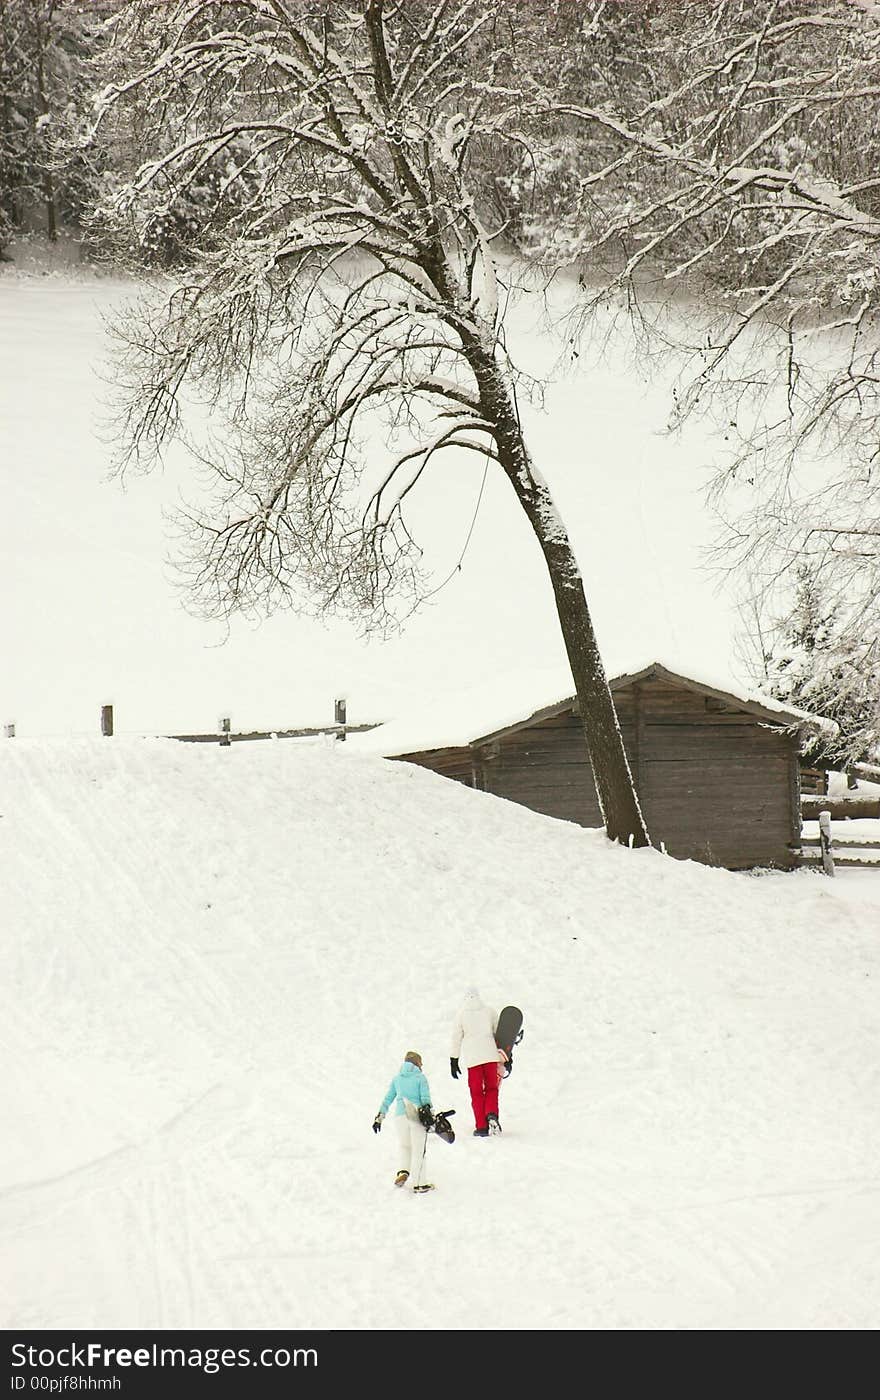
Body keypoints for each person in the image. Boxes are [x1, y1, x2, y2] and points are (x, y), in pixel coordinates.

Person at [372, 1050, 436, 1192]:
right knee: (419, 1150)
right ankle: (419, 1183)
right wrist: (431, 1116)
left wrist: (380, 1117)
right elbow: (425, 1099)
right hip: (415, 1116)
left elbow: (388, 1098)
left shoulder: (397, 1078)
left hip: (400, 1116)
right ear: (417, 1063)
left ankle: (403, 1171)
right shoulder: (420, 1078)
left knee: (405, 1146)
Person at [449, 988, 506, 1137]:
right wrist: (506, 1056)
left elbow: (456, 1038)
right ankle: (492, 1113)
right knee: (492, 1088)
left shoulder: (461, 1015)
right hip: (490, 1056)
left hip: (473, 1060)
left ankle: (481, 1127)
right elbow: (498, 1033)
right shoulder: (489, 1011)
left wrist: (454, 1060)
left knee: (476, 1093)